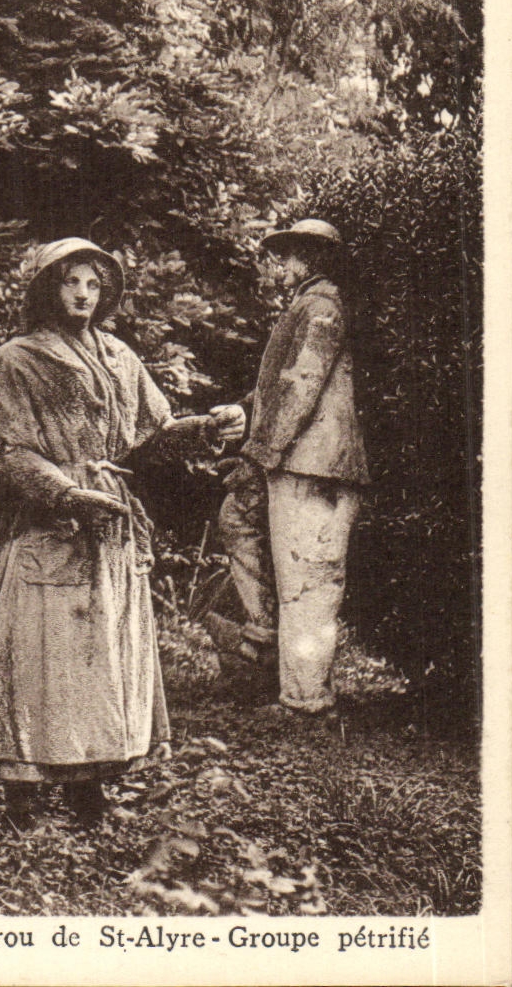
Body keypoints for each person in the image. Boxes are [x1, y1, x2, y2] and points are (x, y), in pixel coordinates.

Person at [0, 238, 245, 828]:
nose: (83, 294)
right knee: (34, 657)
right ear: (46, 288)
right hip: (38, 524)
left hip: (107, 522)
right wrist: (66, 493)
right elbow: (6, 452)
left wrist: (211, 424)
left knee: (100, 655)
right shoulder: (15, 360)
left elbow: (154, 434)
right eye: (70, 282)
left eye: (94, 285)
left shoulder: (117, 357)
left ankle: (90, 788)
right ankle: (22, 796)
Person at [207, 219, 367, 716]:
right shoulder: (309, 302)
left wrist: (260, 454)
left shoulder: (321, 305)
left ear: (313, 257)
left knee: (310, 583)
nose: (282, 263)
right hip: (300, 462)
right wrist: (245, 411)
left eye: (291, 254)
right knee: (237, 521)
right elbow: (282, 386)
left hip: (316, 467)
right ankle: (262, 634)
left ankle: (306, 702)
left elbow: (302, 384)